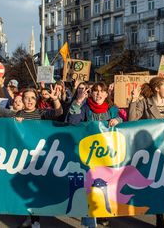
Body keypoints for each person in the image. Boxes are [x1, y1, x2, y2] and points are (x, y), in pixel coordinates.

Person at [67, 82, 122, 228]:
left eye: (101, 91)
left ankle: (103, 212)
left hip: (108, 153)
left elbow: (123, 121)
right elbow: (73, 123)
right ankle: (89, 222)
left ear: (106, 94)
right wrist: (78, 101)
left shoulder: (112, 109)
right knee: (89, 188)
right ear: (91, 93)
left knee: (105, 187)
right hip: (89, 154)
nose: (98, 94)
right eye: (95, 91)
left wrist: (118, 120)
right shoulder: (85, 108)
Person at [128, 76, 164, 228]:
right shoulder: (144, 103)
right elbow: (131, 121)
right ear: (157, 88)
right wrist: (134, 100)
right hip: (152, 151)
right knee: (156, 183)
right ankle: (159, 216)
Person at [16, 87, 62, 228]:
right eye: (26, 98)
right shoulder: (18, 114)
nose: (29, 101)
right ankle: (29, 217)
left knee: (37, 189)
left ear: (37, 100)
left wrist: (55, 99)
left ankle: (36, 220)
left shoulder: (42, 113)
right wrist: (15, 123)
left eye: (32, 98)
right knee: (24, 189)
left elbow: (59, 113)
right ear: (22, 100)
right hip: (23, 158)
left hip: (39, 158)